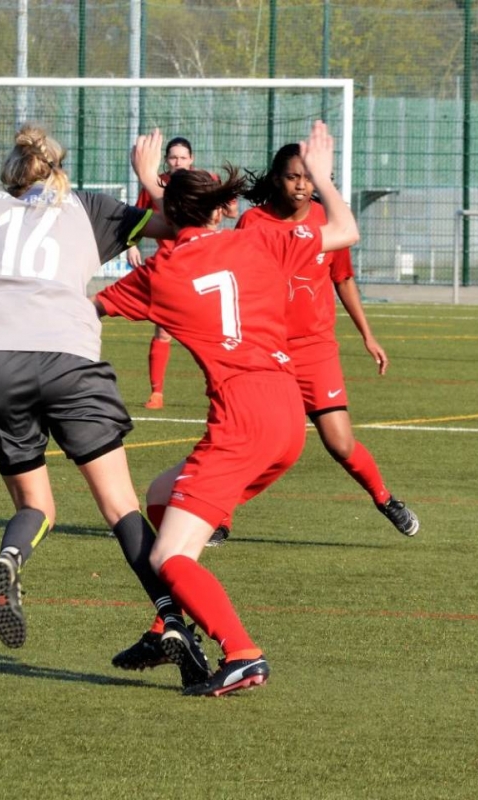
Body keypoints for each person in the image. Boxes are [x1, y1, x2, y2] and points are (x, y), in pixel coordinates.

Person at [0, 123, 210, 689]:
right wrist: (150, 180)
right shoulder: (89, 207)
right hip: (67, 358)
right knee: (120, 506)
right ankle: (173, 620)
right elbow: (178, 225)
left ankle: (11, 556)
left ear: (13, 171)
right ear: (58, 167)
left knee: (36, 503)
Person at [94, 121, 360, 696]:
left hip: (242, 421)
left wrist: (147, 183)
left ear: (169, 212)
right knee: (161, 494)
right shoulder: (255, 238)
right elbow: (346, 230)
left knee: (167, 556)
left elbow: (87, 306)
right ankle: (168, 626)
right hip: (287, 413)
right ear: (217, 211)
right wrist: (323, 177)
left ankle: (242, 653)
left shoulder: (160, 273)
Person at [236, 142, 419, 536]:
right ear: (276, 179)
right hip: (268, 351)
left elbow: (343, 279)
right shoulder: (253, 223)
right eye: (292, 177)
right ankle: (218, 516)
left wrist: (368, 336)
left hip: (315, 350)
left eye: (307, 177)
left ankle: (384, 498)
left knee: (340, 443)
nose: (301, 185)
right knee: (263, 443)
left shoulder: (326, 219)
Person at [126, 136, 237, 410]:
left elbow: (232, 212)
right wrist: (131, 245)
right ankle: (157, 393)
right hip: (172, 265)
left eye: (182, 157)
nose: (178, 162)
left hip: (205, 261)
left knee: (216, 330)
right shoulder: (157, 184)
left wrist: (226, 203)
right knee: (164, 329)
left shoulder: (206, 180)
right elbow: (137, 215)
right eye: (173, 157)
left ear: (191, 159)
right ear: (166, 160)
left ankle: (225, 387)